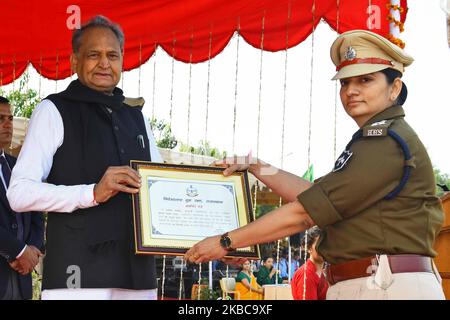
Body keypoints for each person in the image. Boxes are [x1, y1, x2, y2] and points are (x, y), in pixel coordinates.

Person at [185, 30, 446, 300]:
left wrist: (225, 242)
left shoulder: (385, 141)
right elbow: (313, 195)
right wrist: (256, 166)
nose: (351, 90)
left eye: (365, 80)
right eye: (345, 82)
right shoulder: (375, 140)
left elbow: (306, 212)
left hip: (384, 285)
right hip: (374, 282)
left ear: (395, 88)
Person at [7, 16, 163, 300]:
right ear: (74, 61)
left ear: (122, 62)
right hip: (76, 274)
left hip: (139, 273)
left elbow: (161, 193)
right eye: (94, 55)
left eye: (112, 55)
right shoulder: (53, 111)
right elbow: (18, 193)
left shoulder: (137, 118)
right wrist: (92, 192)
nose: (105, 63)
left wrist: (222, 238)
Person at [0, 97, 45, 300]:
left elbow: (36, 211)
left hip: (22, 276)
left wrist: (32, 250)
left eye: (10, 118)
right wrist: (17, 251)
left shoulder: (19, 165)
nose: (8, 124)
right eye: (0, 119)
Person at [291, 227, 328, 300]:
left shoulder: (321, 271)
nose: (325, 249)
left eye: (326, 244)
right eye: (320, 245)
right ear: (309, 248)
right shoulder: (307, 274)